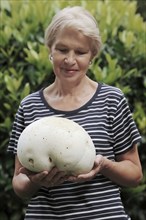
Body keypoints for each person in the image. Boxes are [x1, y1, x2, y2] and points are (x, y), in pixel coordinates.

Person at [8, 6, 143, 220]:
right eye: (62, 49)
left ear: (92, 56)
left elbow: (135, 175)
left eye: (80, 52)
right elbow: (19, 183)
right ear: (50, 50)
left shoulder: (111, 100)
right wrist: (34, 182)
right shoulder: (30, 106)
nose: (70, 60)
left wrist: (102, 165)